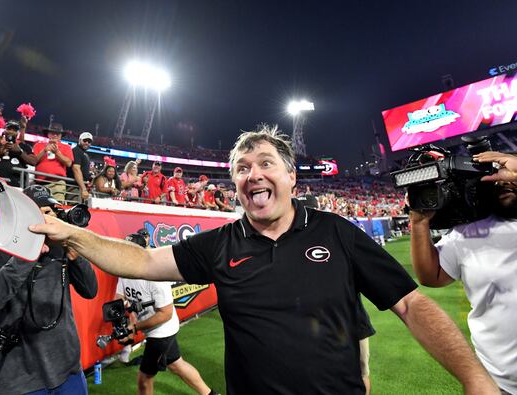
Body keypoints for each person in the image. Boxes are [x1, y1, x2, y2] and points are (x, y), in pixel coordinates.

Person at [31, 125, 498, 394]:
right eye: (242, 168)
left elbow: (412, 305)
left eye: (265, 163)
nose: (253, 174)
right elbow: (140, 261)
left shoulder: (336, 231)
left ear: (292, 177)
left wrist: (475, 378)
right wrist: (72, 233)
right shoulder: (218, 244)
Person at [0, 184, 98, 394]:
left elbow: (90, 290)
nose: (46, 219)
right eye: (38, 213)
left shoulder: (61, 246)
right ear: (23, 217)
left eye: (49, 212)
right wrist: (29, 251)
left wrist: (74, 253)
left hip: (67, 369)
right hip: (17, 377)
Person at [409, 170, 517, 394]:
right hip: (498, 380)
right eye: (497, 181)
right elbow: (432, 276)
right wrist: (419, 223)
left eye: (511, 178)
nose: (504, 184)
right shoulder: (469, 232)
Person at [116, 233, 217, 395]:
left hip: (163, 331)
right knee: (176, 365)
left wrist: (134, 328)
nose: (125, 256)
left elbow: (166, 314)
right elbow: (119, 299)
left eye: (130, 252)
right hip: (153, 329)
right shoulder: (124, 271)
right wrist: (124, 321)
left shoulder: (154, 278)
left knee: (144, 379)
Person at [32, 123, 74, 202]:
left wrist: (57, 153)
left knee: (57, 208)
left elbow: (69, 163)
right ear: (48, 134)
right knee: (39, 209)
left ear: (61, 135)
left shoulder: (66, 147)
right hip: (39, 184)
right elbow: (33, 161)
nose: (55, 135)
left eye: (57, 133)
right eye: (52, 133)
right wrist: (44, 150)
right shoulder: (39, 145)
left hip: (57, 183)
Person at [0, 118, 37, 187]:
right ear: (5, 130)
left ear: (18, 132)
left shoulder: (24, 146)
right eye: (9, 129)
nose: (11, 132)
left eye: (14, 130)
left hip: (16, 185)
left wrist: (20, 151)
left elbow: (33, 162)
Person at [67, 131, 93, 203]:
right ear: (79, 140)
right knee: (74, 209)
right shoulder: (76, 151)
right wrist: (84, 189)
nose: (87, 143)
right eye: (85, 140)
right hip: (74, 185)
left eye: (89, 141)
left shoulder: (83, 153)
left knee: (79, 209)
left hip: (80, 186)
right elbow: (76, 169)